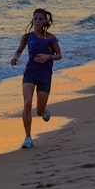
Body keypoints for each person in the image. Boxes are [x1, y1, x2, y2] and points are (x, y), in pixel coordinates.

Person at [10, 8, 62, 149]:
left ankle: (44, 111)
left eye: (40, 19)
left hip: (45, 76)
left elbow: (59, 55)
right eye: (35, 19)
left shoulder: (51, 38)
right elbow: (19, 50)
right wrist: (15, 57)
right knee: (27, 103)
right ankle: (28, 137)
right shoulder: (27, 37)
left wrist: (47, 57)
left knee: (39, 111)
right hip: (30, 73)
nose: (37, 21)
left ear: (45, 21)